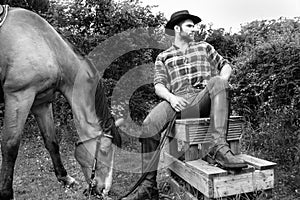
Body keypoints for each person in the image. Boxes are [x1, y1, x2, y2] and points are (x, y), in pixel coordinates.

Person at [123, 10, 247, 200]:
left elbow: (226, 65)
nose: (194, 29)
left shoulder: (204, 47)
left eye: (194, 25)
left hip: (201, 97)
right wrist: (172, 98)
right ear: (177, 28)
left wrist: (221, 82)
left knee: (218, 81)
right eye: (190, 25)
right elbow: (159, 86)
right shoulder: (163, 57)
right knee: (149, 124)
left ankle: (219, 148)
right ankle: (148, 186)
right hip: (177, 100)